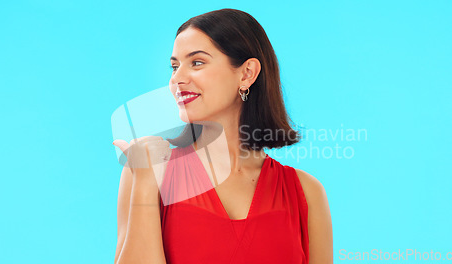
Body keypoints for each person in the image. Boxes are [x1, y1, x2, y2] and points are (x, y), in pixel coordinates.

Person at [113, 8, 332, 264]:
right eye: (174, 66)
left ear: (247, 73)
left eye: (197, 62)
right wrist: (146, 180)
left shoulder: (305, 192)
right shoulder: (148, 171)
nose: (177, 79)